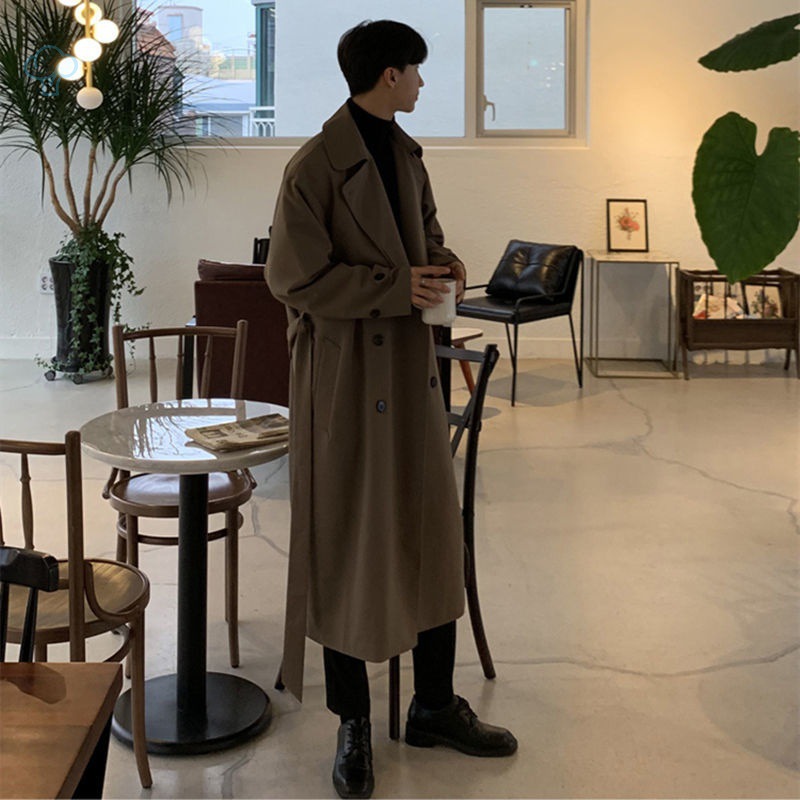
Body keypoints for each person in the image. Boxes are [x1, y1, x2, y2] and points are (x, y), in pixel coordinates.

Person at [266, 19, 517, 799]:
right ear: (387, 75)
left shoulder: (407, 154)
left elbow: (426, 240)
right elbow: (292, 278)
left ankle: (434, 704)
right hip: (344, 382)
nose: (421, 82)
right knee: (347, 542)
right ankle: (353, 721)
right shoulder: (314, 166)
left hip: (410, 376)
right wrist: (393, 286)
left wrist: (445, 265)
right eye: (415, 70)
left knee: (429, 532)